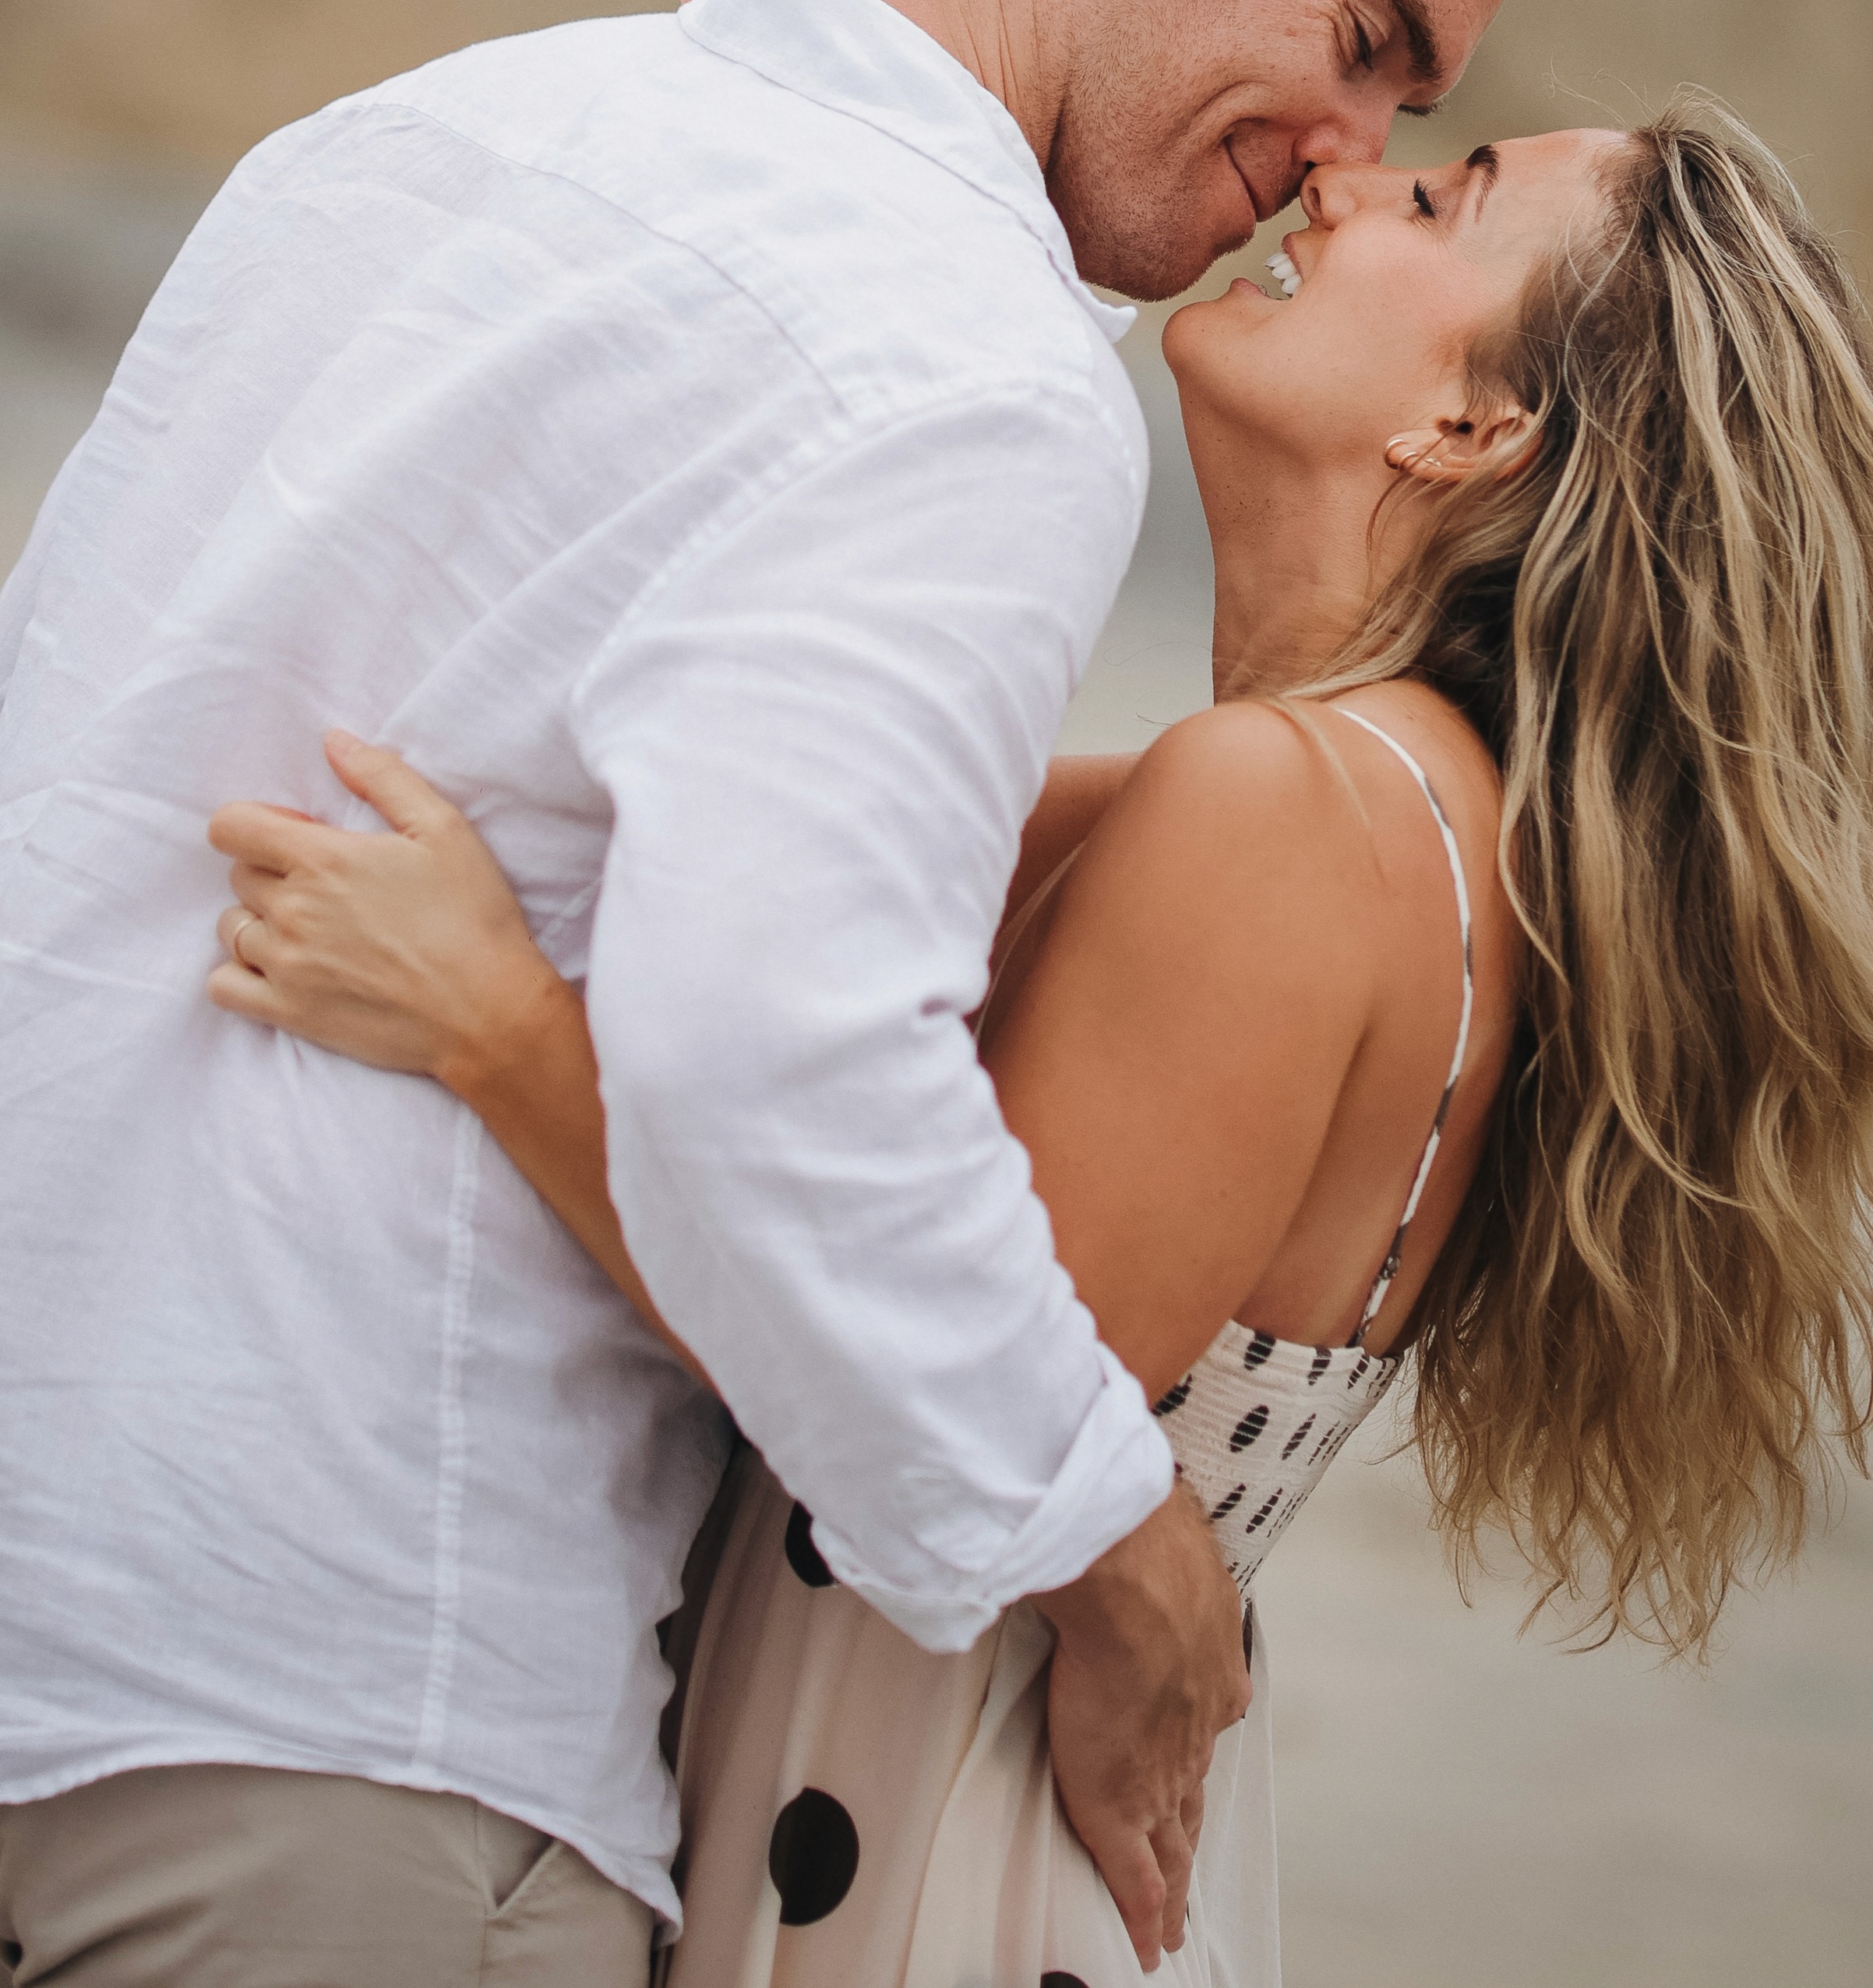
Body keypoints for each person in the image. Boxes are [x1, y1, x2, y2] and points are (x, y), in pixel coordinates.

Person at [0, 0, 1616, 1982]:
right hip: (354, 1695)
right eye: (1368, 32)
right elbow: (771, 1056)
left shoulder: (396, 139)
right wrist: (1124, 1548)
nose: (1338, 148)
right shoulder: (957, 351)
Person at [204, 101, 1873, 1983]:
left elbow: (885, 1352)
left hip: (900, 1854)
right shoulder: (1392, 821)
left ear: (1476, 427)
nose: (1343, 176)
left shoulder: (1294, 813)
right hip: (960, 1833)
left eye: (1438, 194)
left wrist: (490, 1020)